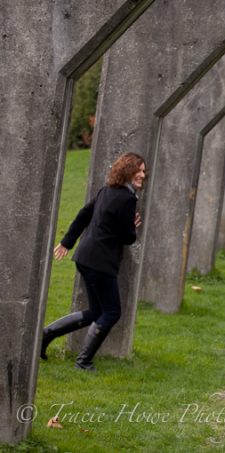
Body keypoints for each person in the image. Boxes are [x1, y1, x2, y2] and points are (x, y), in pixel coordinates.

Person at [42, 152, 146, 371]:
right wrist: (132, 226)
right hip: (100, 261)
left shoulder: (107, 190)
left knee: (95, 312)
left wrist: (67, 242)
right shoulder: (128, 198)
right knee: (111, 312)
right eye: (140, 170)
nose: (143, 175)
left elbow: (83, 214)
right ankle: (83, 361)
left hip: (85, 256)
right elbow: (127, 237)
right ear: (128, 171)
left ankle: (46, 334)